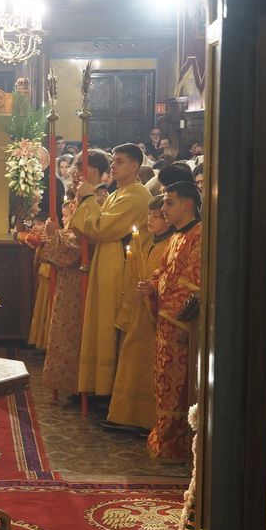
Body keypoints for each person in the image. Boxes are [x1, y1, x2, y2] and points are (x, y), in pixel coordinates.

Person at [69, 143, 152, 398]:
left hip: (121, 271)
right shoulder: (120, 193)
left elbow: (101, 227)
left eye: (119, 161)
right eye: (113, 161)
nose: (113, 166)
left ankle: (109, 390)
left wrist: (88, 198)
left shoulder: (136, 196)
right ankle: (99, 386)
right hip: (108, 265)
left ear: (135, 166)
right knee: (100, 322)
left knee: (109, 326)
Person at [137, 181, 203, 461]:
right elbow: (162, 272)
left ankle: (178, 444)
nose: (163, 208)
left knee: (180, 385)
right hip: (166, 324)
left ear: (187, 204)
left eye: (169, 203)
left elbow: (193, 281)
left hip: (184, 326)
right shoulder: (176, 237)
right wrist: (151, 287)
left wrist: (162, 294)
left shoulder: (200, 235)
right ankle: (164, 438)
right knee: (164, 383)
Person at [105, 194, 175, 433]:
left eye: (157, 216)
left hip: (153, 316)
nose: (150, 220)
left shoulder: (168, 245)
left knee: (145, 364)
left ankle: (145, 419)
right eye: (149, 215)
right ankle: (125, 415)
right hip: (139, 311)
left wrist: (152, 290)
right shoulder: (149, 243)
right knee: (130, 358)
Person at [41, 200, 83, 401]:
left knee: (73, 332)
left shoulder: (90, 209)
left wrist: (56, 233)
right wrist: (54, 235)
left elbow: (75, 251)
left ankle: (79, 385)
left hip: (78, 285)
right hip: (67, 284)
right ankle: (66, 383)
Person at [15, 213, 51, 349]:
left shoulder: (47, 237)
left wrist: (18, 235)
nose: (35, 227)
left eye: (40, 224)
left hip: (48, 276)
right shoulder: (39, 237)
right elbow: (24, 237)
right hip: (40, 275)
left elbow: (27, 238)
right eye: (35, 224)